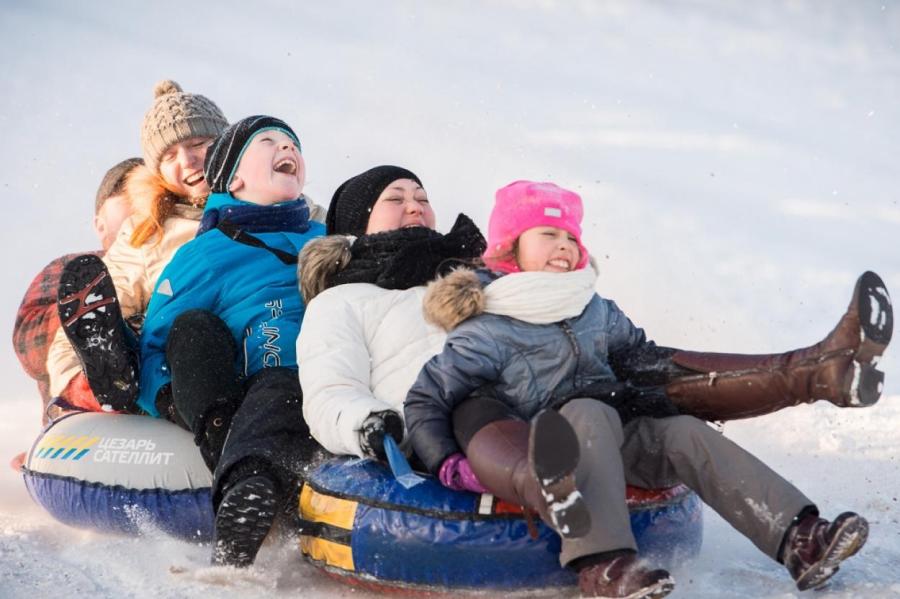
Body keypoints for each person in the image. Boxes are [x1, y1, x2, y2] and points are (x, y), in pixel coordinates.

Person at [404, 180, 891, 598]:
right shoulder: (488, 325)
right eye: (548, 234)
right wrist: (449, 464)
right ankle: (604, 564)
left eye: (571, 236)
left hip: (616, 432)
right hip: (550, 451)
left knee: (681, 433)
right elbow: (429, 399)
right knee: (588, 414)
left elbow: (639, 355)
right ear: (509, 249)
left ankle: (799, 537)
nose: (564, 246)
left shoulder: (595, 308)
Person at [47, 81, 327, 413]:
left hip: (283, 340)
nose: (189, 160)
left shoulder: (300, 213)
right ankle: (121, 385)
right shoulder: (147, 233)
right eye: (169, 155)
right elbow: (99, 306)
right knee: (171, 330)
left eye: (200, 143)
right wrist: (76, 385)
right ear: (159, 172)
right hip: (195, 362)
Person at [135, 115, 325, 567]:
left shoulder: (328, 238)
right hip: (243, 389)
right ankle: (243, 483)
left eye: (292, 143)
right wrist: (165, 396)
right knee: (192, 327)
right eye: (268, 142)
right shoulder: (205, 252)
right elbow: (159, 342)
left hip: (330, 374)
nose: (286, 149)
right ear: (233, 177)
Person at [296, 165, 486, 463]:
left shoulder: (475, 286)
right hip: (418, 446)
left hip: (504, 423)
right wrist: (368, 422)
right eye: (396, 200)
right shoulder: (340, 301)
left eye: (422, 200)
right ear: (359, 222)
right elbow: (332, 390)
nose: (414, 208)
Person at [9, 158, 142, 472]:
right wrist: (90, 310)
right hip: (84, 421)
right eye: (130, 207)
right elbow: (29, 346)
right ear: (100, 224)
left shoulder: (172, 263)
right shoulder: (73, 269)